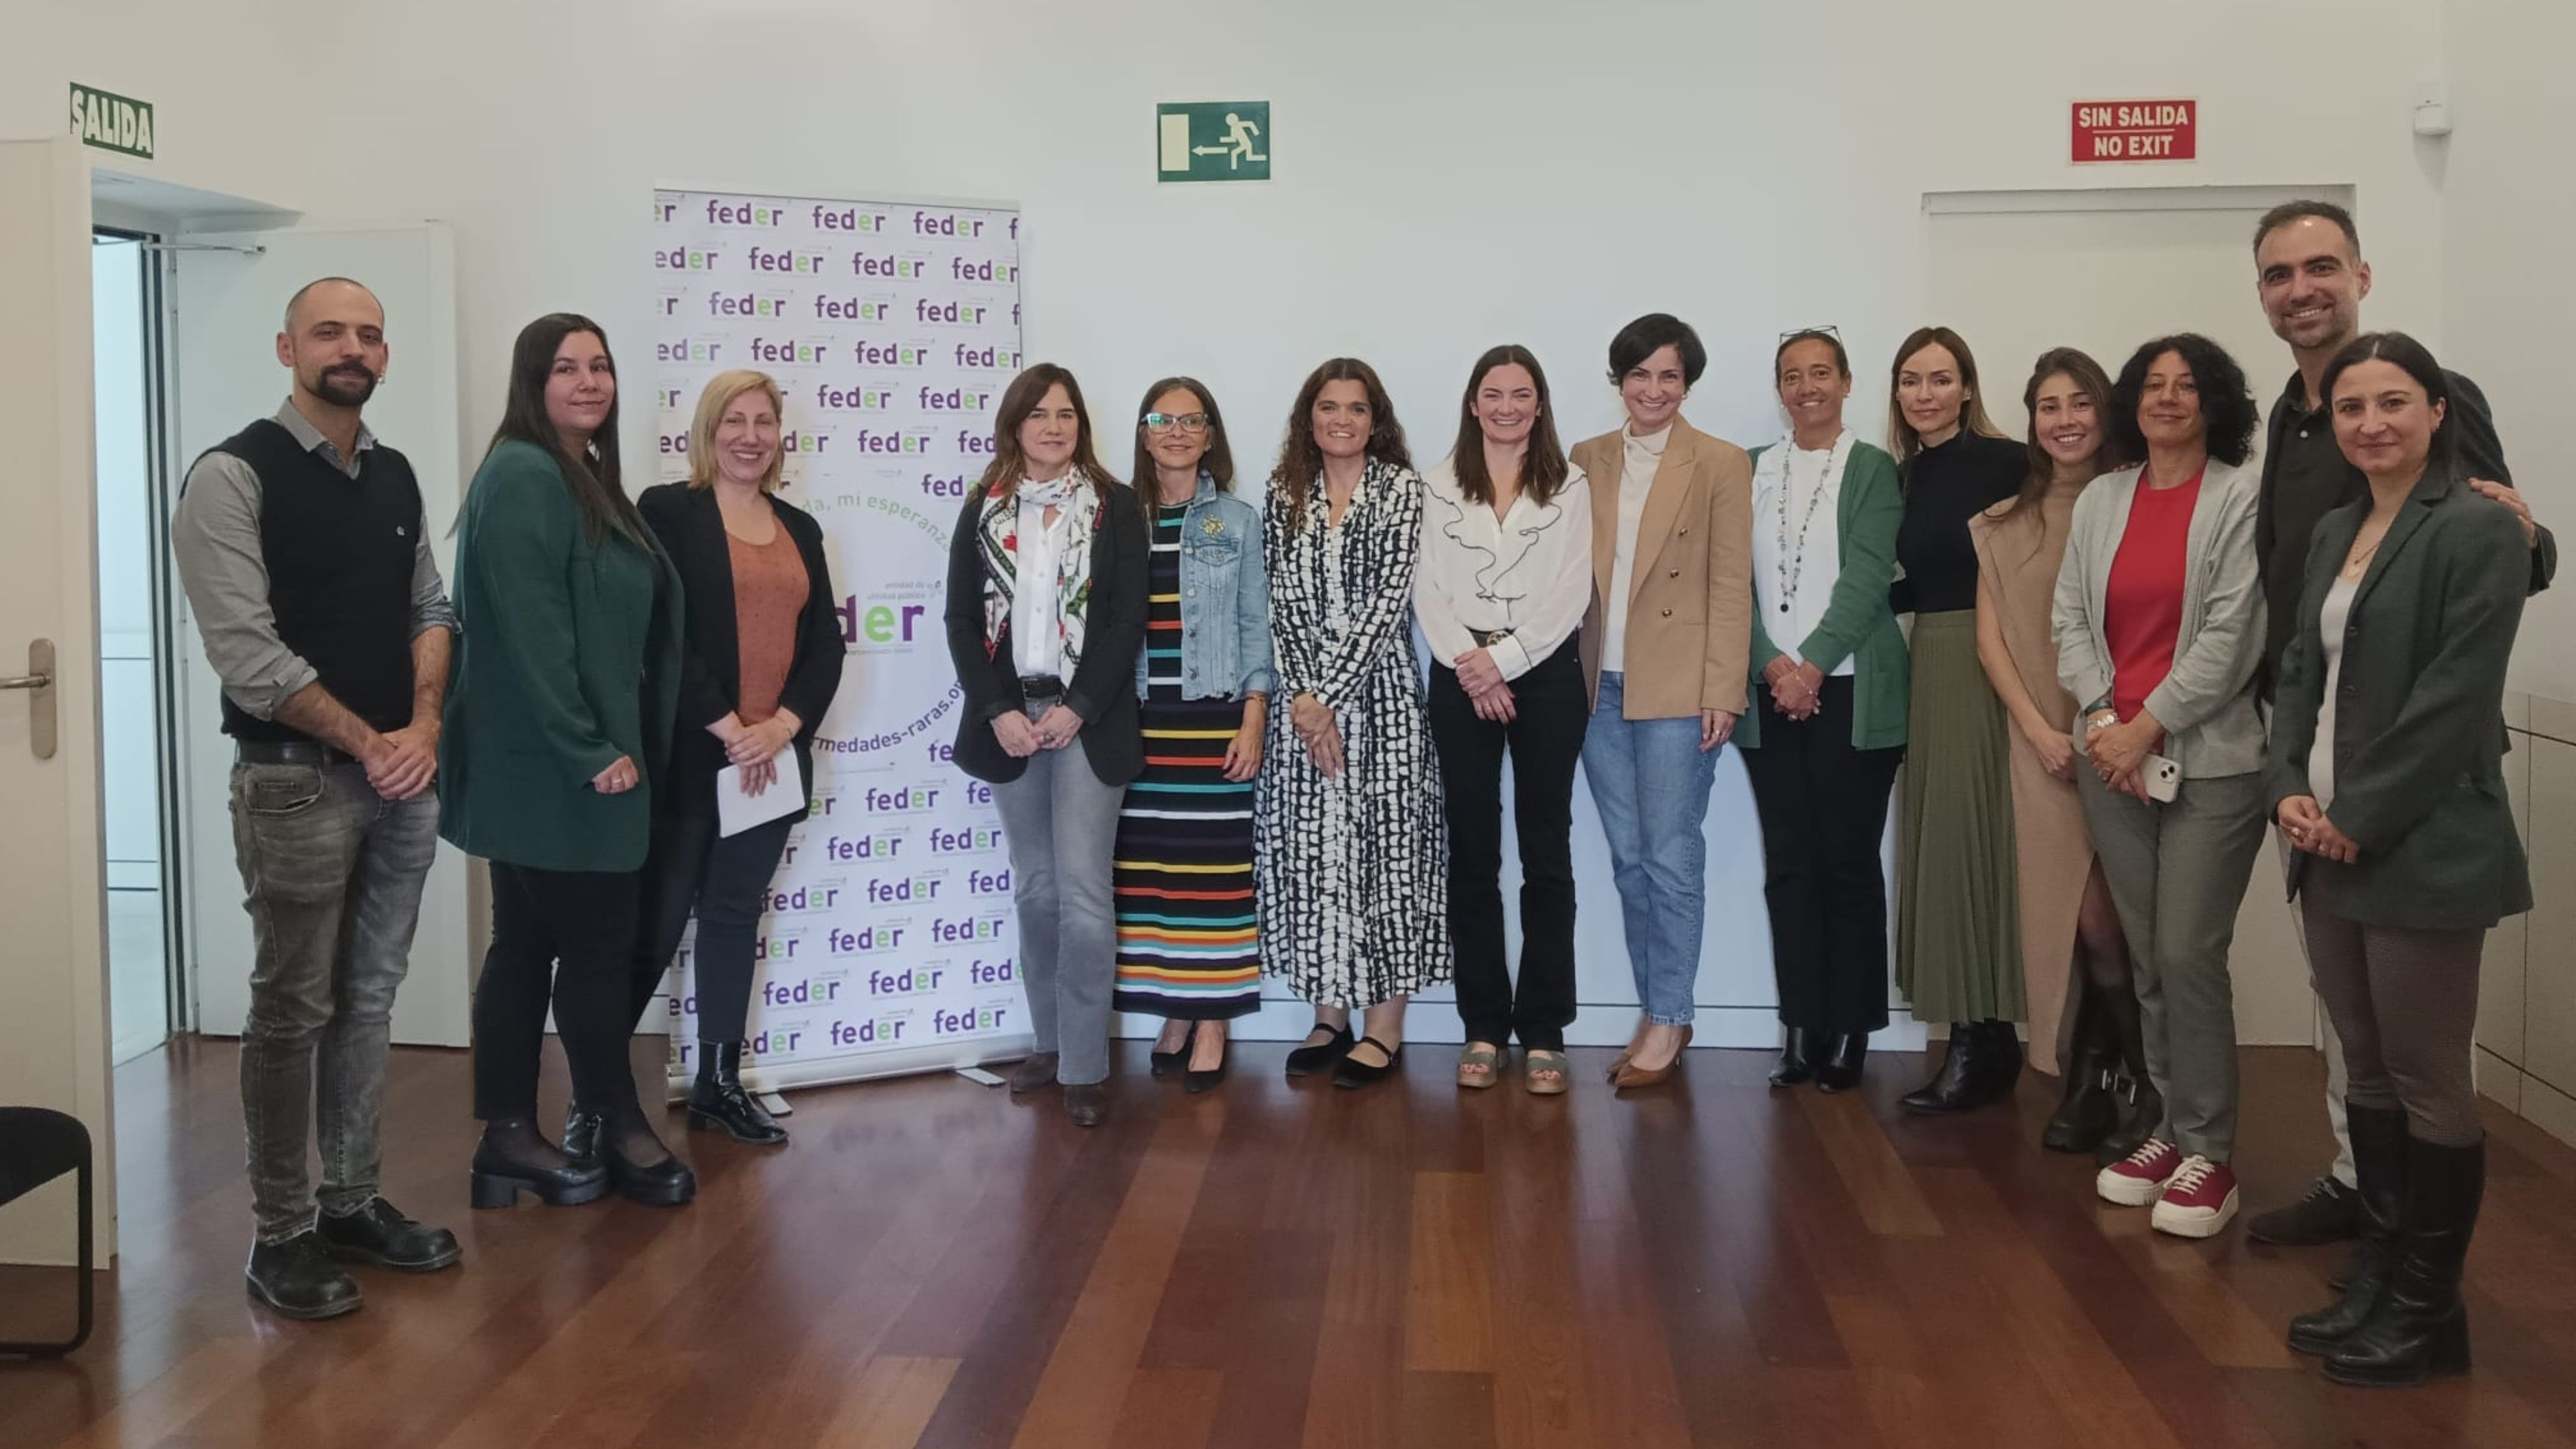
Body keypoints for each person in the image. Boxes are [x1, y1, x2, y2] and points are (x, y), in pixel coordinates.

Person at [2240, 200, 2558, 1249]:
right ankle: (2360, 1191)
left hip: (2410, 780)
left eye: (2321, 265)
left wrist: (2529, 539)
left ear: (2361, 274)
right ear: (2264, 294)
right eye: (2282, 273)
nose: (2303, 288)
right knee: (2355, 1027)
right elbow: (2296, 608)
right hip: (2312, 763)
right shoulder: (2290, 418)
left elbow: (2509, 544)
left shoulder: (2433, 392)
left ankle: (2409, 1265)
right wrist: (2290, 770)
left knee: (2412, 1050)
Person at [171, 277, 462, 1320]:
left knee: (369, 1001)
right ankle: (282, 1235)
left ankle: (350, 1202)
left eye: (371, 334)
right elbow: (250, 660)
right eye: (331, 331)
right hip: (295, 789)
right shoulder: (230, 476)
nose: (353, 347)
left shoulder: (392, 473)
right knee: (291, 1010)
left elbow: (432, 603)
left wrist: (422, 732)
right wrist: (367, 739)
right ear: (287, 345)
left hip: (400, 781)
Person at [2265, 332, 2530, 1388]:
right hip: (2320, 836)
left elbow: (2454, 705)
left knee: (2427, 1079)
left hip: (2420, 843)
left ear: (2435, 411)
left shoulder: (2480, 529)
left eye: (2393, 402)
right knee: (2364, 1068)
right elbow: (2297, 672)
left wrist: (2358, 814)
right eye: (2352, 409)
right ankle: (2380, 1277)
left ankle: (2429, 1307)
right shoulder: (2338, 526)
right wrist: (2290, 782)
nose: (2370, 422)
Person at [442, 314, 693, 1208]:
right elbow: (530, 633)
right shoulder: (522, 475)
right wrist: (590, 748)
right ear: (531, 382)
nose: (589, 381)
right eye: (565, 368)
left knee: (526, 945)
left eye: (600, 364)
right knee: (597, 948)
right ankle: (617, 1126)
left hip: (561, 763)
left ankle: (507, 1136)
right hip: (560, 766)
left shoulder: (578, 474)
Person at [2053, 333, 2268, 1239]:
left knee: (2187, 951)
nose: (2169, 399)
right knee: (2146, 954)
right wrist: (2105, 720)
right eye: (2153, 385)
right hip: (2112, 758)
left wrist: (2148, 725)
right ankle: (2172, 1129)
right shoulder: (2104, 496)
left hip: (2211, 760)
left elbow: (2232, 634)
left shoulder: (2244, 494)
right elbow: (2069, 614)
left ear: (2213, 400)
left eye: (2187, 386)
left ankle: (2210, 1152)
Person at [630, 371, 844, 1145]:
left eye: (765, 421)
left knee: (730, 918)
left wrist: (781, 726)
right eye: (735, 420)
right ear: (707, 429)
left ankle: (719, 1083)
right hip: (695, 756)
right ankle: (604, 1097)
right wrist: (729, 727)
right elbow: (662, 635)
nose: (750, 435)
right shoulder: (667, 511)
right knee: (653, 927)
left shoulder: (801, 528)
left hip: (772, 764)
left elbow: (826, 644)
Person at [943, 364, 1148, 1128]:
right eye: (1039, 414)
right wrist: (997, 710)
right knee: (1036, 891)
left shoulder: (1115, 508)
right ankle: (1050, 1044)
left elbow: (1126, 620)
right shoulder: (983, 507)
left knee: (1086, 896)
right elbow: (961, 622)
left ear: (1080, 426)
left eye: (1066, 414)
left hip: (1087, 723)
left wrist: (1081, 707)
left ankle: (1087, 1067)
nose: (1054, 427)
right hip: (1010, 721)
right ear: (1015, 425)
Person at [1970, 349, 2147, 1160]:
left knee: (2126, 919)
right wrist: (2041, 730)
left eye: (2080, 402)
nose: (2065, 418)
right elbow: (1992, 637)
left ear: (2106, 412)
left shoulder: (2139, 504)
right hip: (2040, 743)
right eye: (2048, 405)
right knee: (2072, 918)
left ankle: (2127, 1071)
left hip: (2133, 740)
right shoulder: (2003, 520)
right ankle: (2094, 1071)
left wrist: (2118, 732)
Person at [1568, 314, 1753, 1092]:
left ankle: (1671, 1014)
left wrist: (1723, 688)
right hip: (1596, 687)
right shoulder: (1585, 459)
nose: (1653, 389)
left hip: (1680, 688)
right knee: (1630, 859)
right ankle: (1657, 1006)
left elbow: (1727, 581)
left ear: (1688, 383)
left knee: (1672, 858)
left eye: (1669, 376)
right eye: (1639, 374)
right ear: (1619, 381)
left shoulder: (1719, 462)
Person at [1259, 358, 1448, 1089]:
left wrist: (1326, 697)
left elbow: (1386, 600)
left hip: (1384, 705)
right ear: (1310, 417)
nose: (1342, 419)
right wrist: (1306, 703)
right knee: (1313, 861)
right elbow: (1276, 602)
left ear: (1377, 420)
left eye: (1357, 408)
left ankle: (1386, 1027)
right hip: (1303, 709)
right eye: (1329, 407)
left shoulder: (1402, 490)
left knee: (1387, 859)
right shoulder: (1284, 494)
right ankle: (1328, 1013)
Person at [1417, 346, 1593, 1095]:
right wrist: (1472, 664)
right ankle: (1483, 1025)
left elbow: (1571, 591)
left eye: (1522, 395)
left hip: (1545, 674)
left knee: (1546, 848)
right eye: (1494, 394)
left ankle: (1545, 1026)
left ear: (1540, 405)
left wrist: (1507, 661)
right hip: (1459, 674)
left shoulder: (1572, 485)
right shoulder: (1435, 483)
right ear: (1472, 403)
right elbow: (1425, 587)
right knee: (1473, 854)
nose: (1507, 407)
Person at [1736, 329, 1908, 1094]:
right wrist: (1773, 665)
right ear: (1779, 388)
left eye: (1820, 373)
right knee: (1790, 867)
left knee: (1846, 864)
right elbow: (1725, 582)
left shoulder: (1873, 469)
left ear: (1845, 382)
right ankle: (1801, 1027)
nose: (1806, 387)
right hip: (1769, 691)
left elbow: (1869, 577)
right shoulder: (1749, 471)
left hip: (1851, 691)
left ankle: (1851, 1031)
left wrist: (1809, 667)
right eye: (1792, 375)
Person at [1884, 326, 2029, 1114]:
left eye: (1941, 379)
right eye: (1912, 380)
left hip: (1991, 657)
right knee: (1939, 844)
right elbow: (1914, 584)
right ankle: (1980, 1034)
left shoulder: (2011, 465)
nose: (1926, 394)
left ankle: (1990, 1033)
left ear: (1968, 387)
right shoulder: (1902, 477)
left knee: (1981, 840)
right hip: (1930, 659)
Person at [1114, 377, 1272, 1093]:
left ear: (1210, 436)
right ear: (1144, 434)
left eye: (1192, 421)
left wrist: (1254, 716)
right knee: (1153, 876)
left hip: (1210, 718)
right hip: (1137, 719)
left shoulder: (1238, 520)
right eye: (1162, 419)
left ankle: (1213, 1016)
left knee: (1212, 877)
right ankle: (1175, 1009)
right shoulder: (1117, 519)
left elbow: (1254, 626)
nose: (1176, 431)